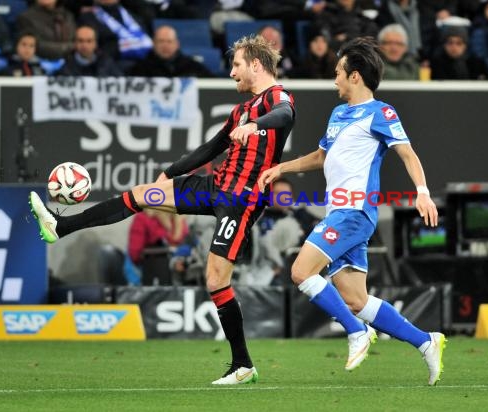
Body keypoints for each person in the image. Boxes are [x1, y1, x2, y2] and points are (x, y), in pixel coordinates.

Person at [29, 35, 294, 385]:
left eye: (237, 65)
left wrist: (255, 125)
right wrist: (170, 173)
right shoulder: (239, 111)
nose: (232, 73)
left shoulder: (276, 98)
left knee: (216, 280)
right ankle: (59, 227)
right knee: (141, 194)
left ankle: (242, 364)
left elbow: (284, 114)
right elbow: (210, 148)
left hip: (241, 199)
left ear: (256, 65)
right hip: (213, 188)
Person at [258, 36, 446, 385]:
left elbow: (408, 154)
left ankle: (356, 333)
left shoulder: (381, 113)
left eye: (338, 73)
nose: (335, 80)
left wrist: (422, 192)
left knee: (301, 272)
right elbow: (321, 158)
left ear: (355, 76)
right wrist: (281, 168)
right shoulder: (338, 113)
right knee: (355, 299)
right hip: (338, 214)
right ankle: (426, 341)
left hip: (354, 212)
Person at [127, 25, 214, 77]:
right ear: (154, 44)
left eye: (169, 41)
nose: (165, 46)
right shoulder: (141, 68)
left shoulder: (192, 66)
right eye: (161, 41)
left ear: (177, 44)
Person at [57, 25, 124, 76]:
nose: (85, 45)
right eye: (80, 41)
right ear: (75, 43)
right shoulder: (67, 66)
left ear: (95, 44)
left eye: (89, 41)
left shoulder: (106, 63)